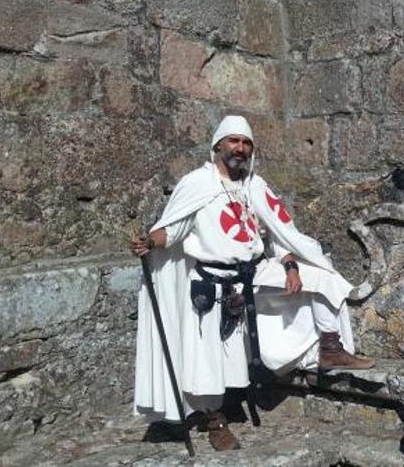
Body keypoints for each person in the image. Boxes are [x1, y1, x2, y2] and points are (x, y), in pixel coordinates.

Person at [129, 115, 374, 451]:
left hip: (254, 272)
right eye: (233, 141)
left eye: (246, 143)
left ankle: (330, 348)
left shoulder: (253, 186)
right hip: (213, 281)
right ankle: (214, 420)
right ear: (217, 146)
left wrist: (290, 266)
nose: (240, 149)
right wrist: (151, 241)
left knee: (321, 276)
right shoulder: (198, 184)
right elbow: (175, 227)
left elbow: (277, 231)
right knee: (209, 356)